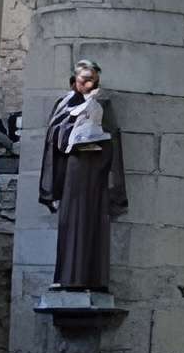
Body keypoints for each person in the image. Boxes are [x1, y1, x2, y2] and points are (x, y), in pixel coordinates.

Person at [38, 58, 128, 293]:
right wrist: (71, 134)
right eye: (85, 80)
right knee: (70, 221)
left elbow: (112, 139)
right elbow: (53, 136)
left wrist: (98, 140)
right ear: (74, 81)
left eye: (93, 82)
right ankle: (66, 276)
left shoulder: (102, 105)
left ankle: (92, 277)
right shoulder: (63, 105)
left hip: (94, 171)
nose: (89, 86)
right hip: (72, 170)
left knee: (92, 223)